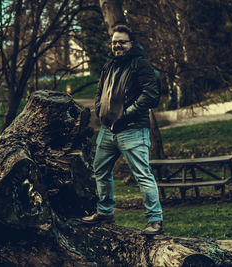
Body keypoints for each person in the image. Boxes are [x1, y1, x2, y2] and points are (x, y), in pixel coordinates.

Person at [81, 25, 163, 235]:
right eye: (114, 42)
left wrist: (127, 113)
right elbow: (99, 92)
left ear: (131, 44)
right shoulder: (109, 66)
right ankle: (105, 212)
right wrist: (99, 109)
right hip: (108, 130)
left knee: (142, 175)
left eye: (122, 42)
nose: (117, 45)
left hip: (133, 130)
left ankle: (155, 221)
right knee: (100, 170)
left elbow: (151, 94)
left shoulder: (140, 64)